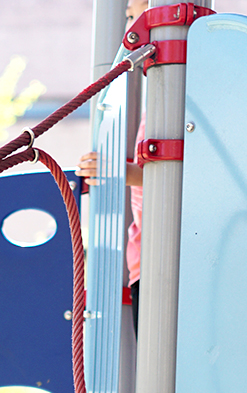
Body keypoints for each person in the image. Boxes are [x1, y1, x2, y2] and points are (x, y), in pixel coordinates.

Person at [76, 0, 149, 334]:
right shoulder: (155, 106)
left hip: (171, 258)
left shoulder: (191, 100)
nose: (131, 29)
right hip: (143, 261)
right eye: (129, 18)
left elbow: (187, 179)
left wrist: (119, 171)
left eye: (140, 14)